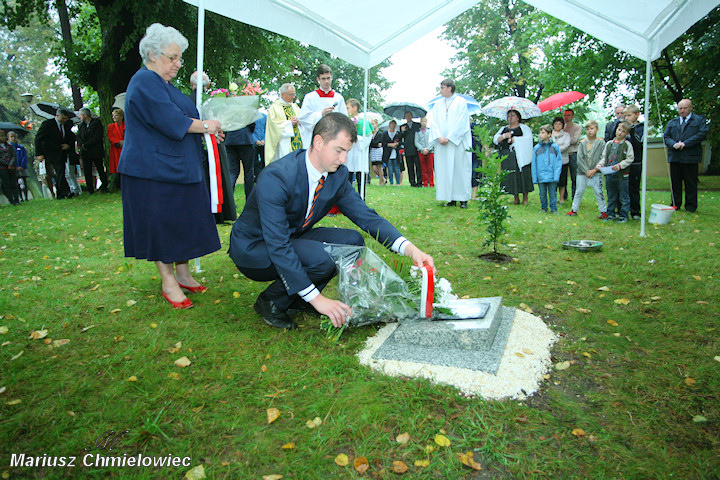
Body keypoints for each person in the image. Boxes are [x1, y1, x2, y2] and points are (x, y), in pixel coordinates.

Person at [228, 112, 435, 329]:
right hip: (254, 247)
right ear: (319, 142)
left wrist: (410, 249)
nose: (344, 159)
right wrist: (318, 300)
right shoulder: (276, 177)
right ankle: (271, 301)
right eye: (339, 150)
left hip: (292, 235)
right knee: (324, 258)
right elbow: (278, 245)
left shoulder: (336, 175)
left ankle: (298, 297)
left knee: (352, 242)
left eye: (347, 152)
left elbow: (366, 217)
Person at [118, 23, 223, 309]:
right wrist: (205, 126)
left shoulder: (165, 84)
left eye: (179, 58)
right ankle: (167, 281)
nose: (178, 64)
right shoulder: (143, 82)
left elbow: (187, 118)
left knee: (184, 222)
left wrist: (208, 128)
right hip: (152, 171)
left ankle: (183, 273)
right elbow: (170, 120)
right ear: (152, 55)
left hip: (178, 167)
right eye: (173, 57)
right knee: (162, 225)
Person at [429, 78, 471, 208]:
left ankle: (463, 199)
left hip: (456, 143)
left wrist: (450, 137)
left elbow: (462, 122)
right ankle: (450, 198)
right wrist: (439, 137)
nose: (440, 90)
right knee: (445, 170)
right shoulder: (438, 104)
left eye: (442, 87)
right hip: (442, 144)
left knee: (460, 170)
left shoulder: (461, 102)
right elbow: (433, 122)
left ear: (449, 88)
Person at [663, 99, 708, 213]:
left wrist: (685, 143)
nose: (682, 111)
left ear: (691, 107)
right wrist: (674, 144)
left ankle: (691, 206)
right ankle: (675, 204)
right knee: (675, 183)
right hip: (675, 157)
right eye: (680, 108)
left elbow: (702, 134)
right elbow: (666, 137)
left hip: (690, 157)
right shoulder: (672, 122)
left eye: (685, 108)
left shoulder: (699, 120)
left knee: (690, 183)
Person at [298, 64, 348, 149]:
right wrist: (321, 114)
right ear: (318, 79)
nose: (326, 81)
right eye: (323, 79)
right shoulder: (310, 97)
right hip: (315, 138)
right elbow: (303, 118)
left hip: (333, 138)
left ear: (332, 77)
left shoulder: (338, 98)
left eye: (328, 78)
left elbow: (345, 120)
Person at [493, 109, 534, 206]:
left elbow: (528, 139)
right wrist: (504, 136)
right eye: (509, 116)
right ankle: (515, 197)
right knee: (511, 176)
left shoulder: (524, 128)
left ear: (518, 117)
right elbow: (496, 139)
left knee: (522, 175)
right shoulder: (503, 129)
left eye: (512, 115)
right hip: (507, 156)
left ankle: (525, 198)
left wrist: (515, 140)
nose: (510, 118)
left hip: (520, 156)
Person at [595, 121, 634, 222]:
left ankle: (623, 215)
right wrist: (600, 165)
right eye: (619, 130)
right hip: (609, 175)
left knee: (623, 196)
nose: (620, 133)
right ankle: (610, 214)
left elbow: (630, 158)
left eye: (623, 131)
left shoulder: (627, 145)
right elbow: (604, 157)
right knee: (611, 195)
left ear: (627, 133)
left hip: (622, 175)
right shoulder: (609, 144)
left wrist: (620, 166)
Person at [567, 120, 607, 219]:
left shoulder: (601, 142)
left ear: (597, 129)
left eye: (592, 128)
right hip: (582, 172)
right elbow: (579, 158)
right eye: (588, 129)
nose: (590, 131)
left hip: (596, 172)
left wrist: (595, 169)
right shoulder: (582, 143)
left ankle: (603, 211)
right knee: (579, 191)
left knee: (598, 191)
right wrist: (586, 170)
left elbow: (603, 157)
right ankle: (574, 209)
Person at [34, 108, 74, 199]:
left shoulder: (67, 125)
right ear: (57, 116)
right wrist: (39, 153)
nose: (64, 120)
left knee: (61, 172)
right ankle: (66, 191)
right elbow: (38, 138)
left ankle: (61, 194)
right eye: (63, 118)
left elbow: (70, 137)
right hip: (50, 153)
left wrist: (68, 145)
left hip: (61, 153)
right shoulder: (48, 124)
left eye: (66, 119)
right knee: (58, 172)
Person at [265, 83, 301, 163]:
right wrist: (289, 123)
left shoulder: (295, 106)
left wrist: (299, 120)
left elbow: (303, 119)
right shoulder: (274, 107)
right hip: (284, 143)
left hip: (298, 140)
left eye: (294, 94)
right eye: (291, 94)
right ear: (283, 94)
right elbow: (273, 126)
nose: (293, 97)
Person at [77, 107, 109, 194]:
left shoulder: (96, 123)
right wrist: (81, 145)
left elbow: (97, 137)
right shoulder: (81, 125)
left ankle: (105, 186)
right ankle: (90, 189)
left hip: (95, 150)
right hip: (85, 152)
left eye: (81, 115)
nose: (80, 117)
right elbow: (79, 136)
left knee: (100, 168)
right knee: (87, 171)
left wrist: (87, 144)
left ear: (85, 115)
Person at [531, 125, 562, 213]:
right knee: (542, 193)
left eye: (543, 133)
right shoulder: (536, 148)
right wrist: (535, 177)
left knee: (553, 193)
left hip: (552, 175)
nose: (540, 135)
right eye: (540, 133)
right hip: (541, 175)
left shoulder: (555, 147)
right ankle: (543, 208)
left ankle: (554, 208)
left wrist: (556, 176)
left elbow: (558, 162)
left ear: (549, 134)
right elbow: (534, 164)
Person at [345, 98, 373, 195]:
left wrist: (358, 139)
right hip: (349, 151)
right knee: (348, 174)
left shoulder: (363, 123)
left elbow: (369, 137)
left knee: (360, 176)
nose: (347, 110)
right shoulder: (346, 122)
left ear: (355, 108)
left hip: (359, 151)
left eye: (348, 108)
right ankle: (347, 197)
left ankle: (362, 197)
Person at [622, 105, 644, 219]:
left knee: (633, 188)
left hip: (635, 162)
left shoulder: (641, 128)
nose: (626, 118)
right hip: (623, 162)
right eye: (625, 115)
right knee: (622, 187)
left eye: (629, 115)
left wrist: (632, 130)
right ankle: (622, 210)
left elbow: (639, 143)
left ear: (636, 115)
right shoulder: (622, 127)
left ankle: (635, 212)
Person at [550, 117, 571, 204]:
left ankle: (562, 198)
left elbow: (566, 145)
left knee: (562, 180)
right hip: (551, 161)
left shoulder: (566, 135)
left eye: (559, 124)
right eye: (556, 124)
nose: (558, 126)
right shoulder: (550, 134)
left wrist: (556, 148)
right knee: (552, 180)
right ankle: (553, 197)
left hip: (563, 160)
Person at [563, 108, 582, 200]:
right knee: (563, 175)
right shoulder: (562, 127)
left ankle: (575, 195)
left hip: (573, 153)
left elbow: (574, 140)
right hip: (563, 154)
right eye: (565, 115)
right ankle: (564, 195)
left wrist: (564, 140)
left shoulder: (577, 127)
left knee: (574, 175)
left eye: (568, 115)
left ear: (573, 116)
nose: (566, 117)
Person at [401, 111, 421, 187]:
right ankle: (412, 182)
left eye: (409, 116)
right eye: (406, 116)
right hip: (408, 149)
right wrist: (402, 132)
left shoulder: (417, 125)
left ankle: (419, 182)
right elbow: (399, 138)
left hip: (416, 149)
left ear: (412, 116)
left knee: (418, 166)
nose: (408, 117)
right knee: (410, 167)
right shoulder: (403, 126)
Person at [0, 130, 20, 205]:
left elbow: (14, 156)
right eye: (1, 136)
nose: (3, 137)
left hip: (12, 168)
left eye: (4, 136)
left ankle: (17, 199)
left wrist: (11, 164)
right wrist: (7, 165)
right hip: (3, 169)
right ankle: (11, 200)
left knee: (14, 183)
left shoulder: (10, 147)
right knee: (6, 184)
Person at [8, 131, 29, 202]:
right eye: (12, 137)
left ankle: (26, 197)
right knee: (16, 183)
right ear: (8, 138)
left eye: (15, 137)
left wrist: (22, 165)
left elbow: (24, 157)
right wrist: (14, 166)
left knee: (24, 182)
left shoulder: (21, 147)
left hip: (23, 167)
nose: (13, 138)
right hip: (14, 168)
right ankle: (20, 198)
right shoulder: (8, 148)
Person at [106, 108, 125, 186]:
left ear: (121, 116)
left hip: (125, 147)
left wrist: (124, 142)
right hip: (116, 148)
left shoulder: (126, 125)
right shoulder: (111, 126)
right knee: (117, 164)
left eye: (116, 115)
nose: (114, 117)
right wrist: (118, 141)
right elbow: (110, 137)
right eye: (113, 116)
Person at [414, 116, 434, 187]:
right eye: (422, 121)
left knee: (430, 168)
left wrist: (428, 149)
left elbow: (433, 141)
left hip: (430, 151)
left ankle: (431, 183)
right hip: (421, 152)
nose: (423, 123)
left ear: (427, 122)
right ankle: (425, 183)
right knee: (423, 168)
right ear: (420, 122)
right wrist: (422, 149)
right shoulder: (418, 132)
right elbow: (416, 142)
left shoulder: (430, 130)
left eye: (425, 121)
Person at [382, 120, 402, 185]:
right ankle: (391, 183)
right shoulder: (385, 133)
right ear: (389, 125)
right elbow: (383, 143)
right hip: (388, 154)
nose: (392, 126)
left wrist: (396, 144)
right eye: (391, 124)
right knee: (390, 169)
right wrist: (390, 145)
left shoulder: (398, 133)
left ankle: (398, 183)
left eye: (394, 124)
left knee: (397, 169)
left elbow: (401, 142)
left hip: (396, 154)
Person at [369, 119, 386, 186]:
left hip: (378, 151)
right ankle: (383, 179)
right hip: (373, 150)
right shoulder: (370, 133)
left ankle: (381, 181)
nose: (372, 125)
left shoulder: (380, 133)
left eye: (373, 124)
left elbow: (378, 143)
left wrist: (374, 142)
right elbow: (373, 143)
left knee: (379, 166)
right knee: (374, 168)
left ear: (376, 124)